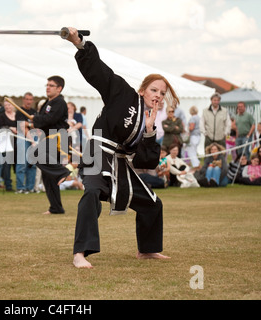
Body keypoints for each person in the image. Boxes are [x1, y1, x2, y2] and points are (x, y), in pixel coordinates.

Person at [64, 28, 179, 268]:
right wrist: (79, 43)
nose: (158, 96)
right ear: (142, 89)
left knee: (152, 203)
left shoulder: (148, 121)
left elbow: (145, 162)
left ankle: (147, 250)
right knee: (91, 194)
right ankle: (80, 253)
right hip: (98, 154)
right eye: (154, 90)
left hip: (120, 163)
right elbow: (101, 73)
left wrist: (149, 132)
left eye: (162, 93)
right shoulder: (122, 93)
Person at [28, 75, 70, 215]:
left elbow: (50, 119)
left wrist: (36, 119)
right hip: (48, 137)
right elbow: (43, 120)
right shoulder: (48, 102)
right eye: (47, 85)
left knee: (35, 154)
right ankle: (56, 207)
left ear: (59, 88)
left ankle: (62, 172)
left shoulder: (59, 102)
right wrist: (36, 121)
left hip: (57, 138)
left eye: (51, 85)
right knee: (48, 176)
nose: (48, 87)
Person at [15, 92, 37, 194]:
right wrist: (32, 140)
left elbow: (36, 125)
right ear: (24, 100)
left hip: (34, 137)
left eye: (30, 99)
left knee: (32, 164)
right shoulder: (20, 111)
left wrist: (29, 125)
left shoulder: (34, 112)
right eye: (27, 99)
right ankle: (20, 187)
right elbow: (22, 126)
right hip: (22, 138)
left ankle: (30, 187)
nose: (28, 101)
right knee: (22, 163)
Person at [0, 100, 17, 191]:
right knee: (7, 164)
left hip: (16, 141)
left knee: (17, 163)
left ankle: (21, 183)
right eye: (5, 105)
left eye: (9, 105)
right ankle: (8, 184)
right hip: (6, 142)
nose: (7, 107)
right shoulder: (2, 116)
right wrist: (10, 128)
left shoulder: (17, 115)